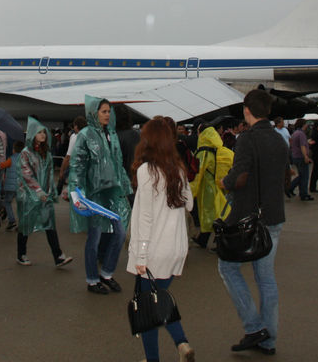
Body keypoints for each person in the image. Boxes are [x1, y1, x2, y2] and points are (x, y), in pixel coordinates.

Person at [218, 89, 288, 355]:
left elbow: (240, 176)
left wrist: (226, 181)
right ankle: (268, 339)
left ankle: (254, 326)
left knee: (227, 267)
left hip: (249, 218)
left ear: (247, 110)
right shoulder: (279, 139)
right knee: (266, 279)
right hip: (274, 216)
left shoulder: (247, 139)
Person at [126, 118, 195, 362]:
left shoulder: (147, 171)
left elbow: (145, 218)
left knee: (148, 308)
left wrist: (141, 256)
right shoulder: (177, 169)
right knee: (157, 302)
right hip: (175, 249)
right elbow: (190, 204)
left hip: (153, 250)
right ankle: (182, 344)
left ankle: (161, 354)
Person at [68, 96, 132, 295]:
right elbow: (77, 165)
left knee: (120, 233)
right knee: (94, 238)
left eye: (109, 111)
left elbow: (118, 163)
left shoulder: (111, 133)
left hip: (113, 193)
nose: (107, 115)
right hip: (94, 195)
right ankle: (92, 279)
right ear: (94, 113)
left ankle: (106, 273)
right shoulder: (85, 135)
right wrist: (77, 194)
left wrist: (125, 187)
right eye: (103, 111)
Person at [15, 117, 73, 267]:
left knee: (50, 224)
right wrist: (38, 191)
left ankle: (58, 256)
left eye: (44, 132)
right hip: (28, 196)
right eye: (39, 132)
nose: (43, 135)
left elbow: (47, 174)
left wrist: (51, 191)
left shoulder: (46, 153)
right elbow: (26, 174)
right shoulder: (25, 153)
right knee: (25, 225)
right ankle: (21, 254)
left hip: (44, 196)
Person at [189, 125, 232, 248]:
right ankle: (204, 239)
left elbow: (197, 173)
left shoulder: (203, 152)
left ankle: (219, 244)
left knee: (209, 215)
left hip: (207, 190)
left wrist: (190, 192)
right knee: (217, 215)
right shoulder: (217, 149)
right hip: (220, 187)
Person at [289, 118, 312, 200]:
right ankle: (303, 193)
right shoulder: (301, 134)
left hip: (295, 156)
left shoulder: (295, 133)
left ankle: (291, 188)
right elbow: (302, 146)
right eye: (306, 124)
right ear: (303, 124)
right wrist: (306, 156)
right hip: (301, 157)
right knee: (304, 176)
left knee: (301, 175)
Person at [1, 142, 21, 231]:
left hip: (10, 187)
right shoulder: (24, 159)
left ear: (14, 150)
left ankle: (11, 220)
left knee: (7, 202)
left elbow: (2, 166)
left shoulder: (11, 159)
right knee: (20, 204)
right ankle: (21, 222)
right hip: (21, 186)